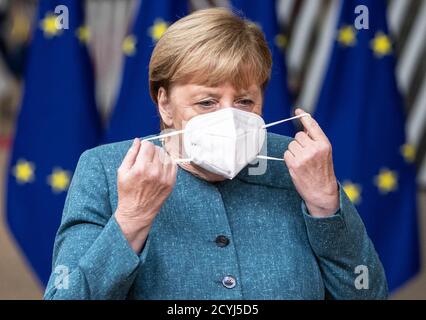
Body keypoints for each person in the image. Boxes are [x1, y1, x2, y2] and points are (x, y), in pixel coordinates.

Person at [44, 8, 387, 299]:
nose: (228, 116)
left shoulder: (295, 162)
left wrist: (327, 206)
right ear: (165, 103)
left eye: (244, 101)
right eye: (207, 102)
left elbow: (368, 291)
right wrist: (131, 219)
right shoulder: (106, 169)